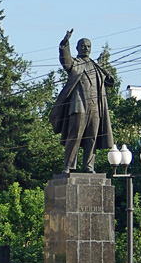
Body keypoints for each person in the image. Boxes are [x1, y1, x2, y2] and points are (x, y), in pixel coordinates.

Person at [49, 29, 115, 173]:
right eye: (83, 46)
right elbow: (65, 61)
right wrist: (65, 44)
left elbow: (109, 82)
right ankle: (68, 166)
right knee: (75, 136)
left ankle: (88, 166)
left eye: (88, 46)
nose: (86, 48)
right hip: (79, 106)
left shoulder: (96, 67)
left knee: (92, 137)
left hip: (96, 107)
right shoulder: (76, 63)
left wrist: (108, 77)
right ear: (78, 48)